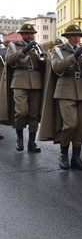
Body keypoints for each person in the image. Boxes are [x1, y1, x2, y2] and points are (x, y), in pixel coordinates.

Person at [38, 24, 82, 170]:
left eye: (79, 36)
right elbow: (57, 67)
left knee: (80, 126)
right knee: (70, 124)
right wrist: (74, 56)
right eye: (74, 36)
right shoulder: (58, 50)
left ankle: (76, 158)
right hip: (65, 89)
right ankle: (63, 154)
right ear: (67, 37)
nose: (77, 38)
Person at [4, 23, 45, 152]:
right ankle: (19, 138)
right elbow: (9, 60)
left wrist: (44, 58)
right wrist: (24, 50)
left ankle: (31, 142)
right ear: (21, 34)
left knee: (34, 114)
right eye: (27, 33)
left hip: (36, 82)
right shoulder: (13, 45)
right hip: (19, 82)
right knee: (21, 112)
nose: (29, 36)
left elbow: (46, 62)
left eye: (31, 33)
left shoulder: (39, 46)